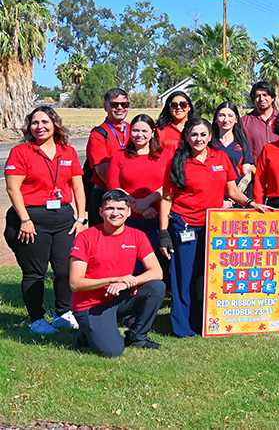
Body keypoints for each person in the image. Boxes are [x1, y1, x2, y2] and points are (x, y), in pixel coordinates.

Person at [159, 118, 268, 337]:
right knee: (184, 276)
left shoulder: (221, 157)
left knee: (207, 276)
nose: (198, 139)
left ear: (210, 137)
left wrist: (251, 204)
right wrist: (163, 233)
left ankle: (204, 322)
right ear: (187, 137)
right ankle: (183, 327)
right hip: (184, 225)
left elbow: (233, 191)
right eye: (193, 134)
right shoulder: (178, 160)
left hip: (214, 226)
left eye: (202, 134)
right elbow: (167, 199)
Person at [4, 106, 88, 334]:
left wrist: (81, 218)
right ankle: (36, 320)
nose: (39, 127)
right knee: (35, 272)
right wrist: (25, 220)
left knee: (65, 270)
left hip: (62, 217)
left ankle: (62, 313)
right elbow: (13, 188)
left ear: (55, 124)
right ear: (29, 127)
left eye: (45, 122)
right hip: (32, 219)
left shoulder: (67, 152)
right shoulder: (21, 152)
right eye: (34, 123)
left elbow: (78, 186)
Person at [68, 190, 164, 356]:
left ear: (128, 212)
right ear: (101, 212)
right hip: (91, 305)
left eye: (120, 209)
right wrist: (113, 279)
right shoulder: (86, 237)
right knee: (113, 351)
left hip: (119, 299)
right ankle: (86, 332)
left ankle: (137, 336)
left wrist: (129, 281)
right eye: (110, 208)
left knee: (157, 286)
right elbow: (75, 284)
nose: (115, 213)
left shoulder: (137, 236)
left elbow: (157, 272)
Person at [104, 114, 171, 253]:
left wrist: (147, 201)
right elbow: (113, 185)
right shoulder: (119, 156)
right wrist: (138, 206)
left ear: (152, 133)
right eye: (135, 131)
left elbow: (171, 185)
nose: (139, 135)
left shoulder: (166, 155)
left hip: (159, 218)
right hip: (128, 219)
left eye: (144, 131)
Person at [84, 88, 130, 226]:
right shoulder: (99, 134)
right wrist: (124, 194)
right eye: (114, 105)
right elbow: (102, 170)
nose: (120, 108)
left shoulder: (133, 130)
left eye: (124, 104)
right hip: (106, 194)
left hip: (129, 194)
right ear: (106, 107)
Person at [210, 101, 255, 200]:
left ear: (236, 119)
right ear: (216, 118)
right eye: (222, 115)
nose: (226, 120)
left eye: (230, 116)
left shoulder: (242, 143)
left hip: (237, 198)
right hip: (213, 197)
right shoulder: (209, 143)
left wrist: (234, 197)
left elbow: (247, 175)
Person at [240, 81, 279, 160]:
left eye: (265, 95)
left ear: (273, 98)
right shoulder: (244, 122)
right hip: (255, 170)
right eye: (258, 96)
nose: (261, 99)